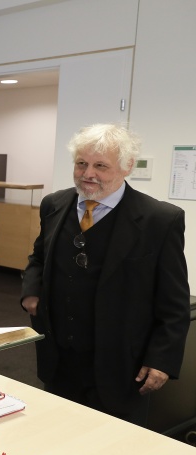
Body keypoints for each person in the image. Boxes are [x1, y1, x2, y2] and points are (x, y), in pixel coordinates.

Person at [20, 123, 189, 427]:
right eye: (81, 163)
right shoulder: (54, 204)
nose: (88, 173)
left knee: (111, 451)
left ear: (127, 167)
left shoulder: (160, 220)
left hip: (121, 365)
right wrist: (31, 291)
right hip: (59, 356)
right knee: (55, 433)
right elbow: (39, 257)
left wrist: (161, 360)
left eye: (101, 166)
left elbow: (174, 303)